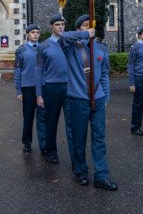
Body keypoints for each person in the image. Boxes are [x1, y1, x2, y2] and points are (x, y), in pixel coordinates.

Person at [60, 14, 117, 190]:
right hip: (78, 99)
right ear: (78, 29)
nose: (88, 28)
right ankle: (80, 171)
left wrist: (106, 95)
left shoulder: (101, 48)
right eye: (84, 25)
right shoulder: (71, 47)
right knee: (79, 138)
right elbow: (63, 36)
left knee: (99, 138)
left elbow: (105, 74)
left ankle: (101, 175)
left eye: (90, 25)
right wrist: (85, 35)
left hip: (98, 99)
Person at [36, 13, 75, 165]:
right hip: (51, 88)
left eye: (62, 24)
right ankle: (51, 152)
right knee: (51, 122)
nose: (60, 27)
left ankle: (75, 156)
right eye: (57, 25)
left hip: (69, 87)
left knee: (72, 123)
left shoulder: (70, 43)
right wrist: (39, 94)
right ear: (51, 26)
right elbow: (38, 71)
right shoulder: (44, 46)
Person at [14, 23, 46, 155]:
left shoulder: (44, 48)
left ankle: (44, 146)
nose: (35, 35)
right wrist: (18, 90)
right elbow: (17, 70)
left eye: (37, 33)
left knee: (43, 117)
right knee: (28, 117)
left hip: (43, 88)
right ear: (28, 34)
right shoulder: (21, 50)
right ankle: (27, 143)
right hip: (27, 88)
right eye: (33, 32)